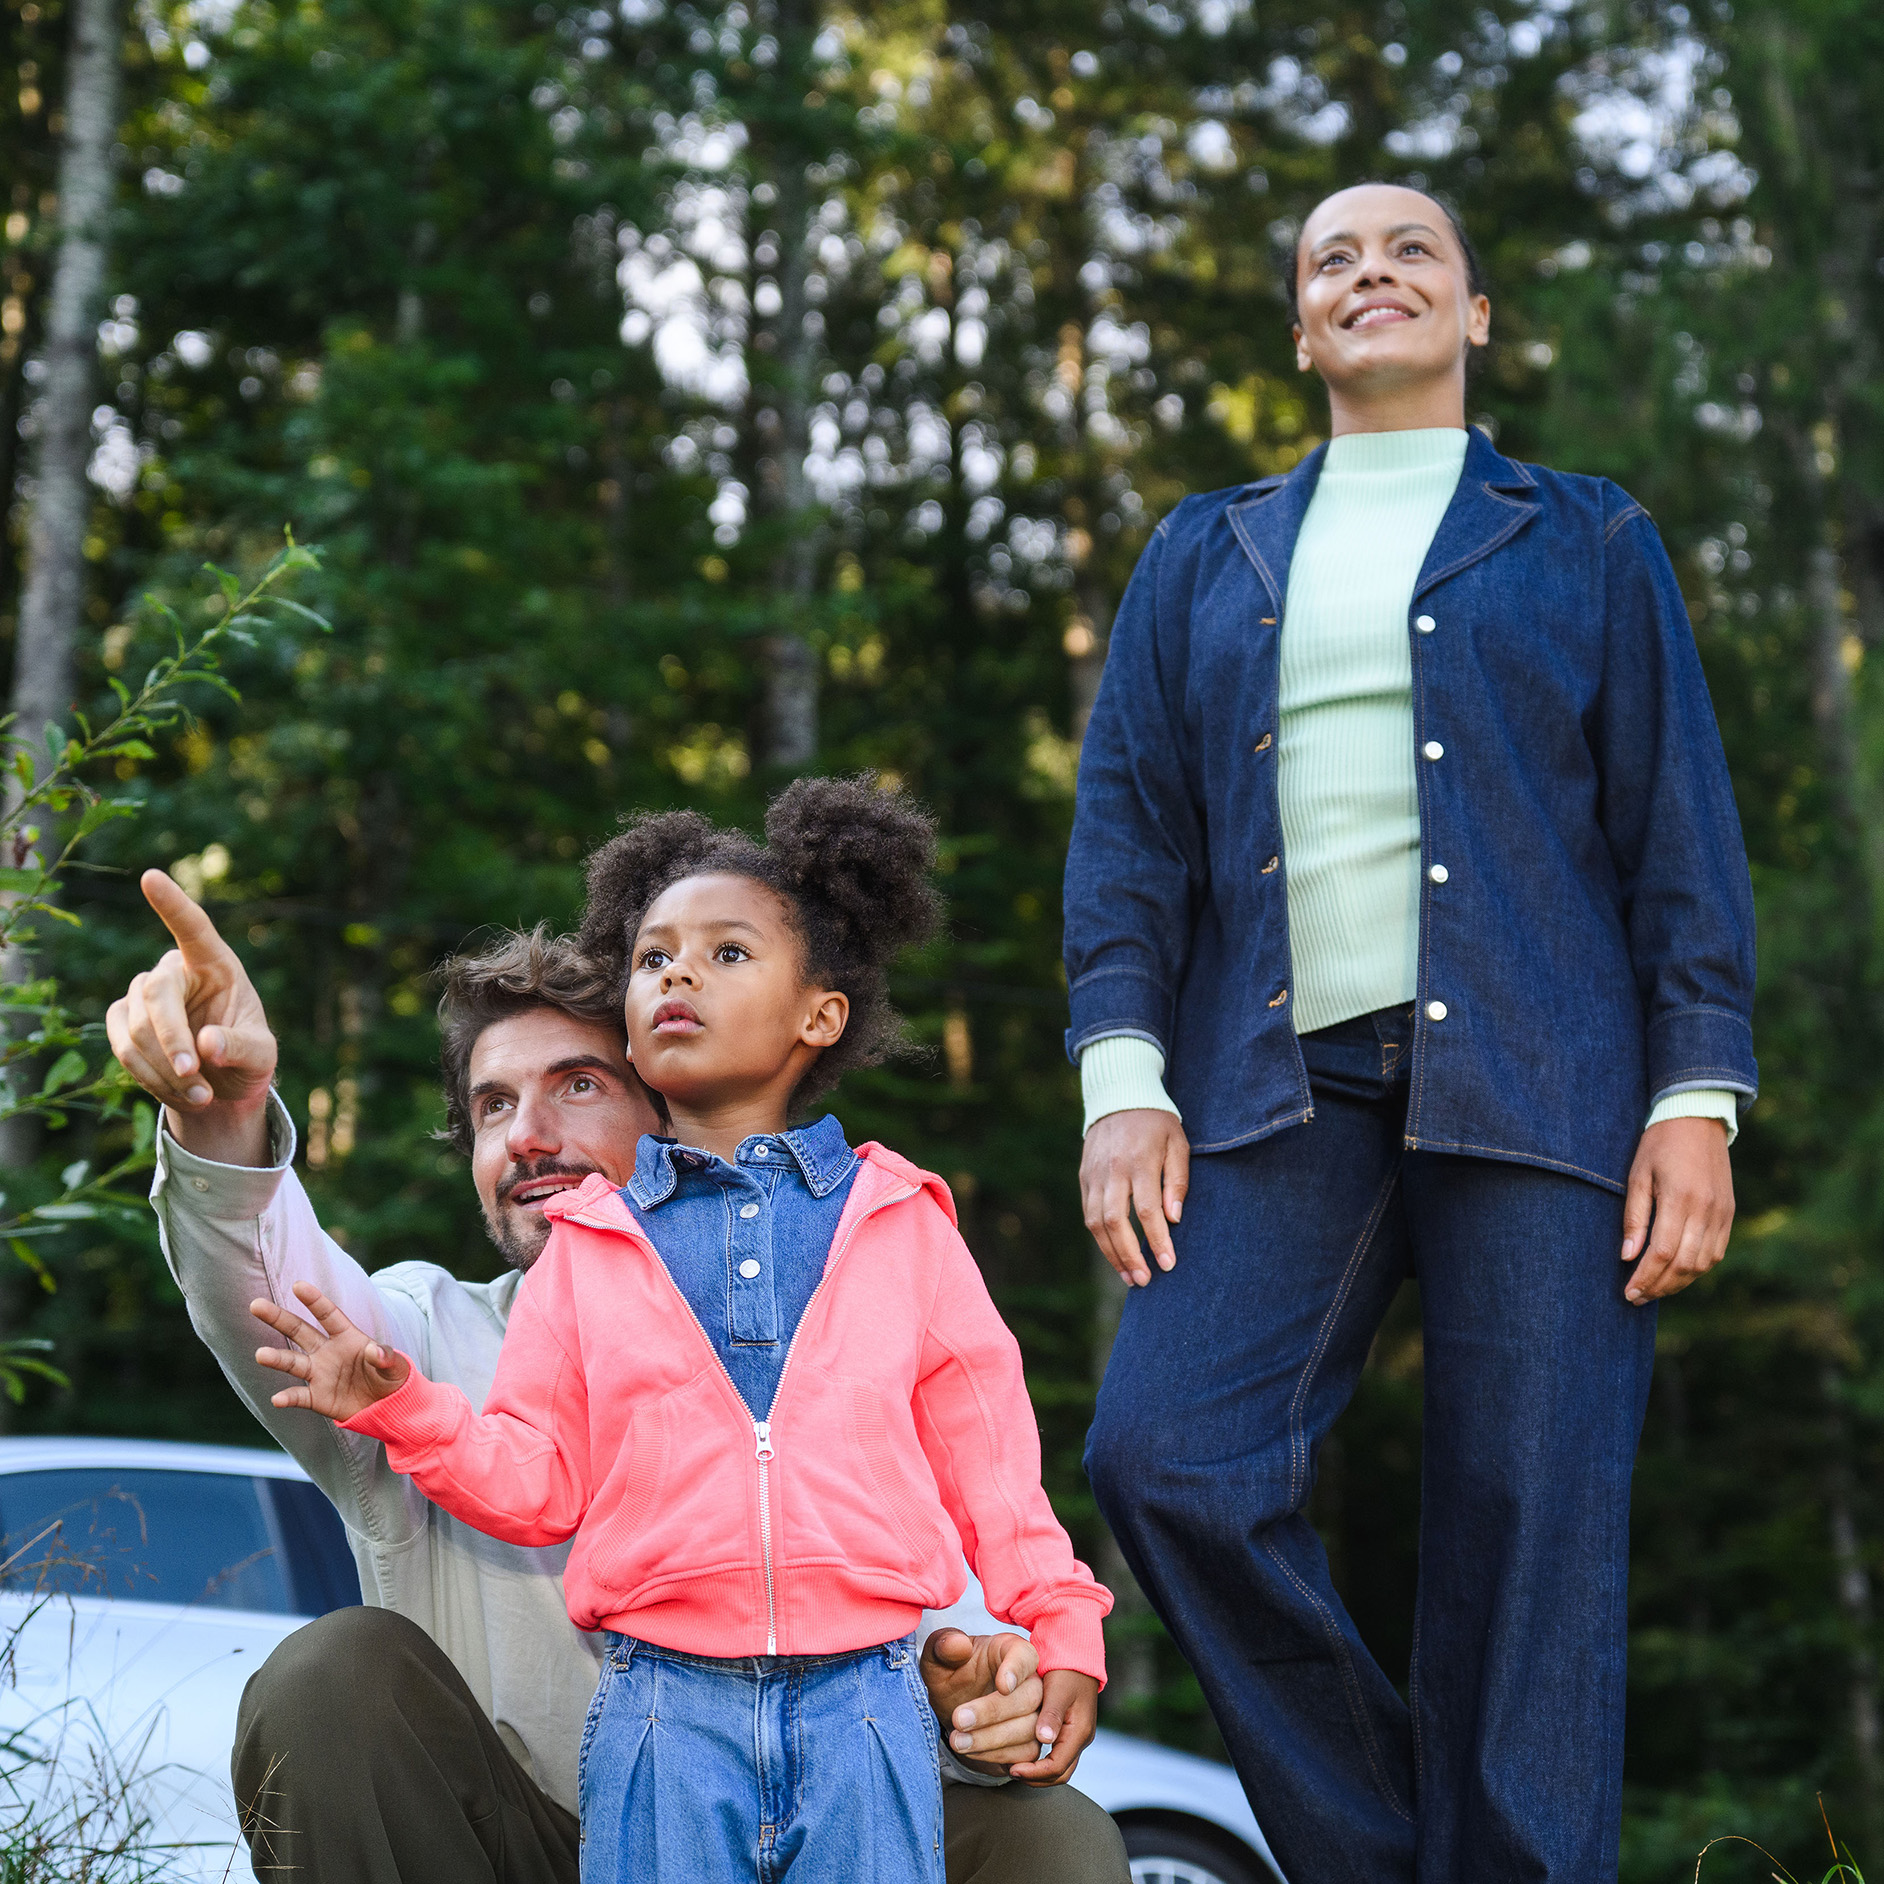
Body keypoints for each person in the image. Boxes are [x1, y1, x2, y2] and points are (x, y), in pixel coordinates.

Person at [1066, 182, 1757, 1884]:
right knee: (1160, 1451)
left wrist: (1693, 1094)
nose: (1368, 273)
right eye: (1328, 259)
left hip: (1545, 1088)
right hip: (1269, 1083)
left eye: (1410, 254)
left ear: (1470, 317)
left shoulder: (1583, 536)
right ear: (1299, 329)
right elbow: (1130, 839)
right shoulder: (1199, 550)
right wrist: (1121, 1080)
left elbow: (1673, 834)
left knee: (1526, 1532)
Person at [108, 868, 1130, 1884]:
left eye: (578, 1085)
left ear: (669, 1107)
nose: (528, 1136)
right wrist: (224, 1113)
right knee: (330, 1677)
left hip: (813, 1812)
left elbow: (969, 1528)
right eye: (493, 1105)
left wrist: (982, 1689)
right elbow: (270, 1290)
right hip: (512, 1845)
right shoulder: (419, 1333)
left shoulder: (864, 1276)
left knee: (1057, 1839)